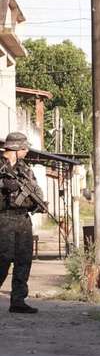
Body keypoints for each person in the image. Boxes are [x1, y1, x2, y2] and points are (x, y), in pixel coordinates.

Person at [0, 132, 44, 314]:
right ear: (16, 148)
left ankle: (18, 300)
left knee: (24, 259)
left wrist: (37, 201)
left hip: (23, 218)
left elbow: (35, 188)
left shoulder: (25, 169)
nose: (26, 151)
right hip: (4, 218)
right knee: (3, 259)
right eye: (24, 148)